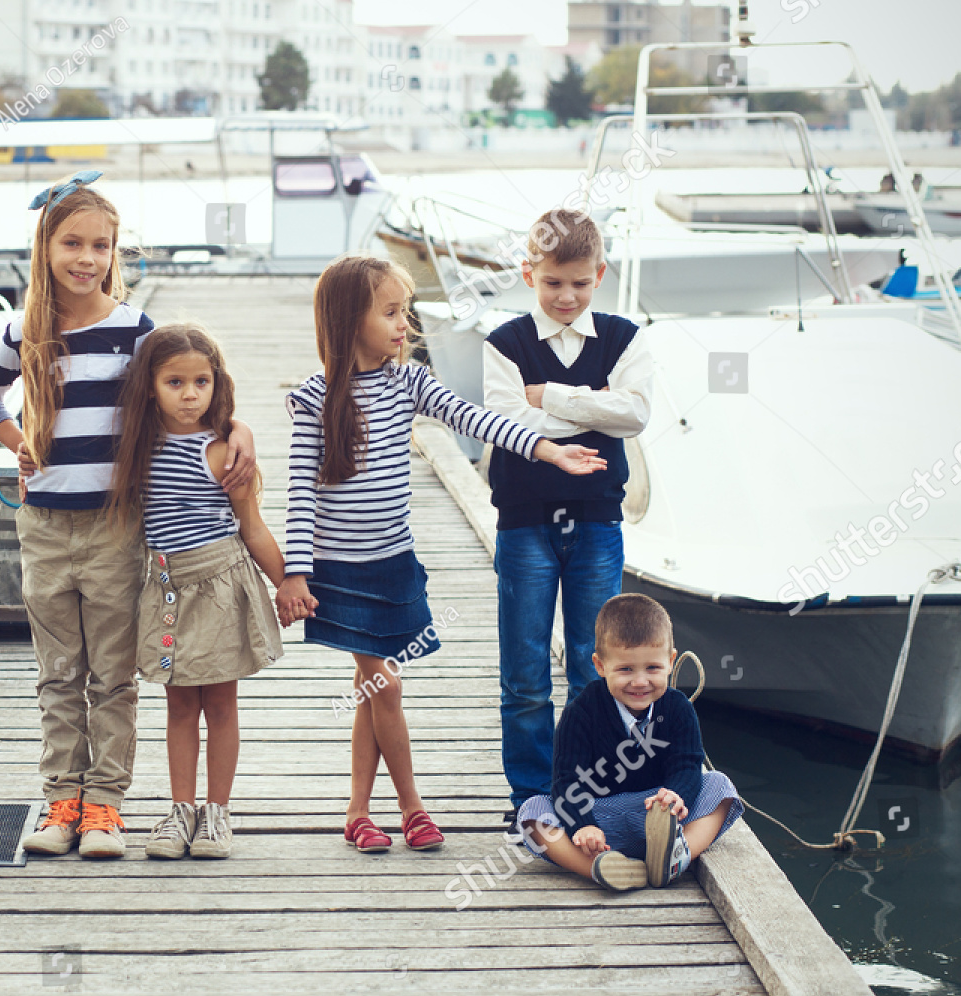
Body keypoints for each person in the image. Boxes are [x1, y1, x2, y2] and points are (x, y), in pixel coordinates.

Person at [0, 171, 257, 858]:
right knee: (58, 671)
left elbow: (187, 389)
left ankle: (105, 807)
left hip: (114, 524)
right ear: (46, 248)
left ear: (115, 252)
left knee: (112, 672)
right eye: (72, 243)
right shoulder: (23, 330)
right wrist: (22, 445)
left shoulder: (135, 329)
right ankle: (60, 800)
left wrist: (236, 428)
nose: (87, 258)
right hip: (43, 528)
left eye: (101, 245)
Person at [276, 254, 606, 853]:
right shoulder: (313, 399)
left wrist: (545, 449)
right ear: (351, 319)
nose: (406, 325)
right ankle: (411, 807)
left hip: (394, 566)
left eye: (405, 311)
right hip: (341, 572)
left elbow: (474, 419)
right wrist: (295, 573)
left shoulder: (408, 381)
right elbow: (300, 493)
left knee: (370, 689)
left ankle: (356, 812)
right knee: (384, 686)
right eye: (392, 313)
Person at [481, 207, 655, 838]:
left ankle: (591, 789)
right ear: (530, 273)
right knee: (524, 670)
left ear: (599, 276)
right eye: (553, 282)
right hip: (523, 522)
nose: (566, 296)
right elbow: (507, 423)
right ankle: (531, 793)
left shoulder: (623, 337)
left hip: (597, 521)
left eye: (579, 284)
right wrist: (588, 411)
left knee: (596, 663)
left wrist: (547, 396)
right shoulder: (503, 343)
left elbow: (633, 415)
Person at [107, 323, 286, 859]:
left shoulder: (225, 452)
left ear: (216, 384)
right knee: (179, 703)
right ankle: (179, 811)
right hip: (164, 588)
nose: (190, 394)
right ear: (151, 387)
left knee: (222, 703)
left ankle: (217, 814)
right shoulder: (138, 447)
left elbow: (252, 526)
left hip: (220, 585)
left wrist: (289, 584)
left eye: (201, 382)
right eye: (175, 382)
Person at [517, 593, 744, 890]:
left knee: (719, 785)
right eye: (625, 669)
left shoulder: (678, 709)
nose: (640, 682)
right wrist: (583, 824)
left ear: (671, 662)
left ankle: (676, 856)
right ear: (600, 666)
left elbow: (686, 764)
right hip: (599, 819)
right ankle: (600, 868)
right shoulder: (582, 711)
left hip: (657, 816)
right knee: (532, 814)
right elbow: (567, 780)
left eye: (652, 668)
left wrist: (676, 795)